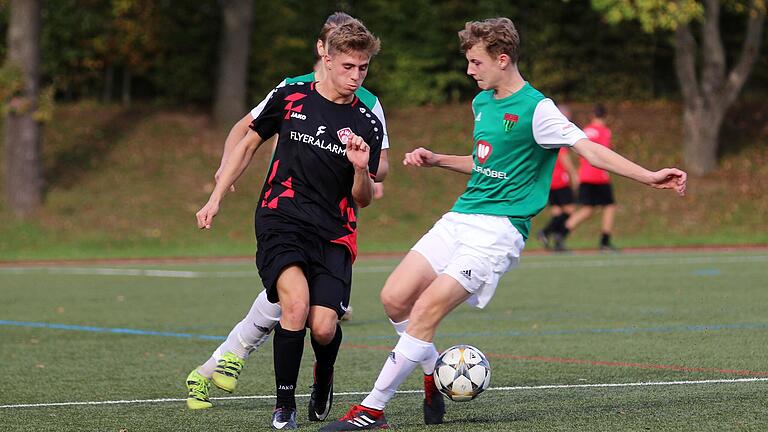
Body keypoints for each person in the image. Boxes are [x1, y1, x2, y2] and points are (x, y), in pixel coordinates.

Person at [321, 17, 686, 431]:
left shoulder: (538, 109)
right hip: (461, 217)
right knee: (394, 298)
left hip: (497, 233)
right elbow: (484, 164)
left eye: (475, 62)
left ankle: (372, 409)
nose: (469, 70)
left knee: (425, 310)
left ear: (502, 58)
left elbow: (591, 151)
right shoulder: (483, 103)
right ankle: (429, 372)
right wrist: (438, 159)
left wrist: (649, 175)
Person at [184, 12, 390, 417]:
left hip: (334, 224)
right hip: (282, 214)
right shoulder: (291, 91)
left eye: (362, 67)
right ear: (324, 52)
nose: (355, 75)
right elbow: (245, 134)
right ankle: (279, 403)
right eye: (346, 63)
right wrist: (220, 187)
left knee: (323, 325)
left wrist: (362, 167)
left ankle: (239, 361)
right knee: (292, 301)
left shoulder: (368, 111)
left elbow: (377, 175)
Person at [556, 103, 618, 251]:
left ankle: (561, 233)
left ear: (592, 115)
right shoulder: (605, 132)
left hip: (585, 175)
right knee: (609, 206)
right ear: (605, 116)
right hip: (599, 175)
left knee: (587, 209)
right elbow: (604, 153)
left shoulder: (585, 131)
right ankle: (605, 241)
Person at [537, 104, 578, 251]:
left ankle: (555, 241)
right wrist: (573, 173)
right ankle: (548, 233)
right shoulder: (560, 130)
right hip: (560, 179)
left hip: (548, 179)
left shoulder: (545, 129)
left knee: (557, 212)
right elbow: (563, 155)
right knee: (570, 209)